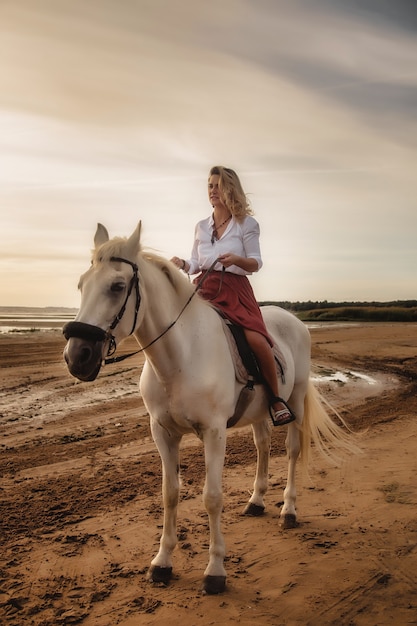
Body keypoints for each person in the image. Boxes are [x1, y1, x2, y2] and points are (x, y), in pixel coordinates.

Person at [171, 165, 295, 426]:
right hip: (204, 288)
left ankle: (275, 399)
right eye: (209, 185)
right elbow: (196, 262)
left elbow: (256, 263)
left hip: (235, 290)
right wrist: (183, 264)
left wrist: (238, 260)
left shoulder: (246, 224)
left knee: (257, 340)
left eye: (217, 185)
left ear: (230, 189)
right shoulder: (201, 226)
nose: (212, 190)